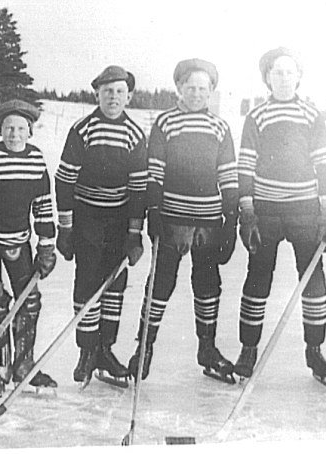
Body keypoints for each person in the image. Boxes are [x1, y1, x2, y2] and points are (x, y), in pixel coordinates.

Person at [126, 59, 238, 384]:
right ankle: (143, 349)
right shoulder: (166, 123)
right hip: (173, 220)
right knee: (161, 284)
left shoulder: (220, 127)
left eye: (203, 89)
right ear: (179, 88)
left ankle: (207, 348)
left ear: (211, 91)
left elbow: (228, 176)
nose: (197, 94)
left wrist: (230, 219)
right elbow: (154, 170)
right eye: (190, 87)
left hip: (208, 222)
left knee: (207, 285)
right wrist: (154, 211)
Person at [234, 47, 326, 386]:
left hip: (304, 210)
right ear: (267, 77)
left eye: (289, 72)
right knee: (258, 276)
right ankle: (248, 349)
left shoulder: (311, 115)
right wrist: (247, 212)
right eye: (276, 72)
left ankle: (314, 348)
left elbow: (324, 165)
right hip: (266, 209)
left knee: (313, 278)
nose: (283, 77)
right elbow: (246, 165)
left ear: (298, 76)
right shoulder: (257, 116)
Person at [55, 65, 148, 387]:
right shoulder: (83, 129)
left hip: (119, 219)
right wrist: (65, 228)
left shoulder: (135, 134)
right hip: (88, 217)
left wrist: (135, 233)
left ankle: (105, 349)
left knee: (115, 284)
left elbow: (139, 188)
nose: (114, 97)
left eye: (120, 91)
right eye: (107, 91)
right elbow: (64, 180)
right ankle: (87, 350)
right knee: (88, 282)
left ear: (129, 96)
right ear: (97, 94)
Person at [0, 99, 57, 399]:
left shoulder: (37, 160)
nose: (14, 134)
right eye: (8, 128)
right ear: (0, 130)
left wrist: (46, 245)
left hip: (20, 240)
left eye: (20, 129)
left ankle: (23, 363)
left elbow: (43, 204)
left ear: (30, 131)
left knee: (28, 301)